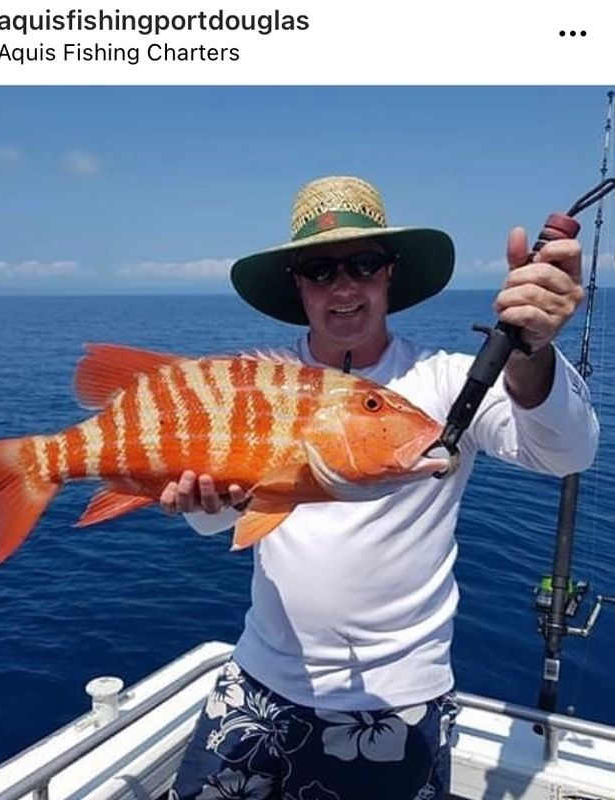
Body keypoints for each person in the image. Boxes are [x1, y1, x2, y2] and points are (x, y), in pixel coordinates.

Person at [161, 175, 599, 800]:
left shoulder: (448, 384)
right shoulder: (258, 381)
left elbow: (566, 452)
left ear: (390, 274)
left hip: (395, 700)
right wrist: (203, 505)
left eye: (363, 264)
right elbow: (219, 520)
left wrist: (530, 352)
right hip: (258, 678)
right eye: (319, 268)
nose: (343, 286)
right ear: (298, 285)